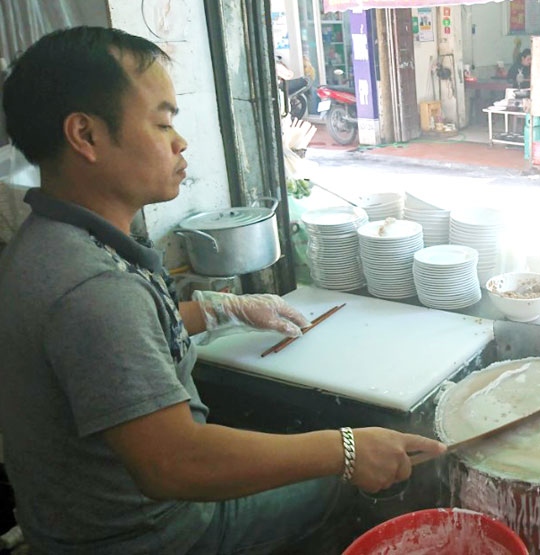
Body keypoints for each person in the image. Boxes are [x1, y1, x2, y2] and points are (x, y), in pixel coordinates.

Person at [0, 26, 445, 554]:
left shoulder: (47, 242)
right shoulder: (93, 289)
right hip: (152, 535)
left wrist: (219, 311)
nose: (180, 141)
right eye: (163, 122)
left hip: (73, 523)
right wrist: (347, 450)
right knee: (369, 478)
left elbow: (122, 341)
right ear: (86, 136)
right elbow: (176, 464)